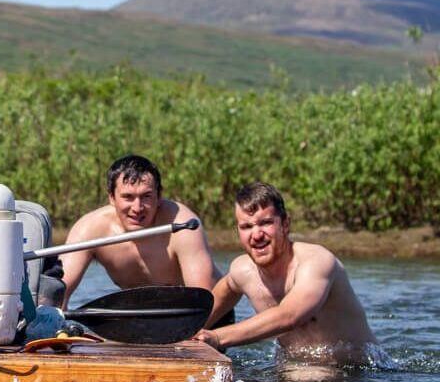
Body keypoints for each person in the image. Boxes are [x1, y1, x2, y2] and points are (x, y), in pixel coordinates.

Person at [193, 182, 381, 366]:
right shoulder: (242, 271)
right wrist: (188, 331)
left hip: (359, 375)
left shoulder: (317, 262)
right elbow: (220, 294)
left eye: (266, 223)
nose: (256, 235)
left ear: (285, 224)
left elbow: (290, 315)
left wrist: (217, 337)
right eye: (246, 227)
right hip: (297, 370)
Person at [60, 155, 221, 307]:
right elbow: (57, 292)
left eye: (146, 196)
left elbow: (204, 298)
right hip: (142, 322)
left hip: (208, 316)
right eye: (128, 197)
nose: (137, 208)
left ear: (159, 196)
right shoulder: (90, 229)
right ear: (111, 198)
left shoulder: (183, 224)